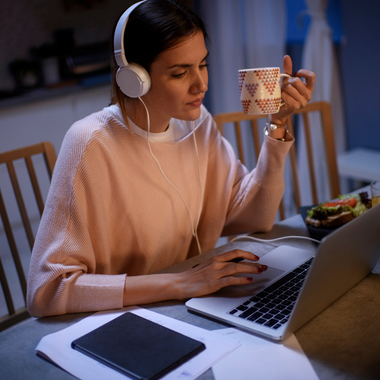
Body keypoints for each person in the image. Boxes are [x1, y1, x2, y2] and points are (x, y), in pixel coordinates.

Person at [26, 0, 315, 317]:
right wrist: (179, 284)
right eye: (180, 73)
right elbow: (47, 290)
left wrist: (277, 126)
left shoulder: (198, 123)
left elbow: (253, 217)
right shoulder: (90, 143)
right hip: (126, 319)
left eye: (202, 64)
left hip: (191, 305)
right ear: (135, 78)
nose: (201, 84)